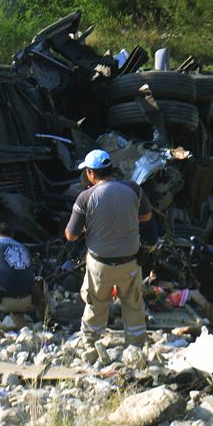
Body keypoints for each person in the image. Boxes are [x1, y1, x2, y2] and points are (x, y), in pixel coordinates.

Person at [65, 149, 152, 349]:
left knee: (96, 302)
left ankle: (90, 345)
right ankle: (136, 346)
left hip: (100, 265)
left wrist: (90, 225)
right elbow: (146, 216)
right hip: (130, 262)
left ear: (91, 173)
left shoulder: (85, 197)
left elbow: (71, 235)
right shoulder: (134, 189)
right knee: (133, 302)